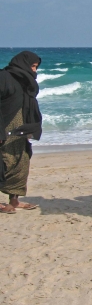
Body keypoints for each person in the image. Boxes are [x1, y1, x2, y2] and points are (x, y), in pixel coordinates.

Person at [0, 51, 42, 214]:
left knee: (21, 162)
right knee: (3, 163)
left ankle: (14, 200)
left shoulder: (26, 82)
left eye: (36, 67)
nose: (34, 70)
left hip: (20, 130)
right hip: (4, 127)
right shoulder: (4, 77)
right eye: (32, 66)